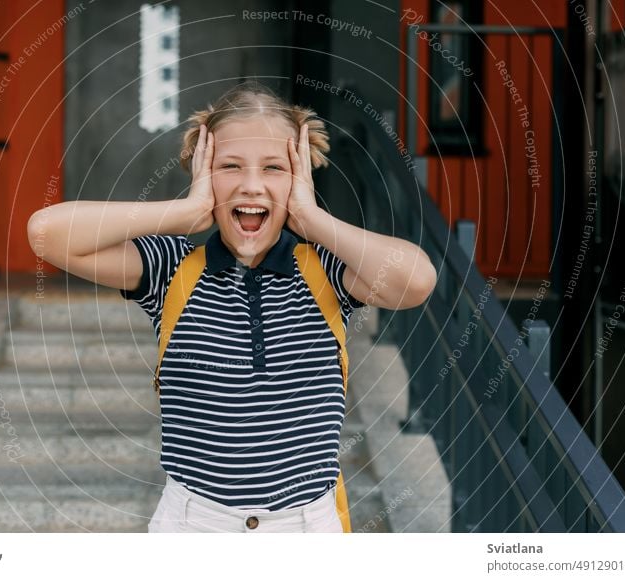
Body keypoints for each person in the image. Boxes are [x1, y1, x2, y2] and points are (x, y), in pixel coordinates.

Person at [27, 81, 437, 533]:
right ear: (202, 171)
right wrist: (184, 213)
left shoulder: (326, 270)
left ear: (301, 175)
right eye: (230, 166)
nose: (252, 185)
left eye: (275, 168)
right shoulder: (172, 269)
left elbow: (415, 281)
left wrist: (313, 219)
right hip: (195, 525)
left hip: (306, 526)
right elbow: (46, 233)